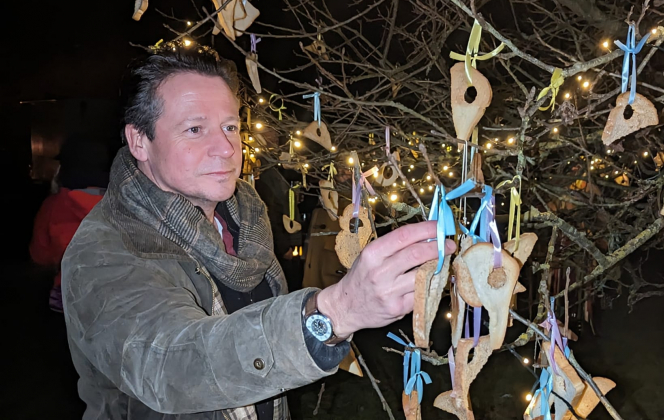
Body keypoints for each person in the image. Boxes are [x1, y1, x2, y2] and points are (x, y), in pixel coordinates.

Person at [61, 47, 452, 420]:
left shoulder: (245, 213)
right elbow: (171, 364)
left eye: (230, 126)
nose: (227, 148)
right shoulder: (104, 249)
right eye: (195, 129)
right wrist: (333, 313)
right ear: (139, 142)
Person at [29, 135, 109, 312]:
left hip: (68, 300)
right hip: (120, 301)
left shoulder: (53, 206)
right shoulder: (127, 204)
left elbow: (39, 255)